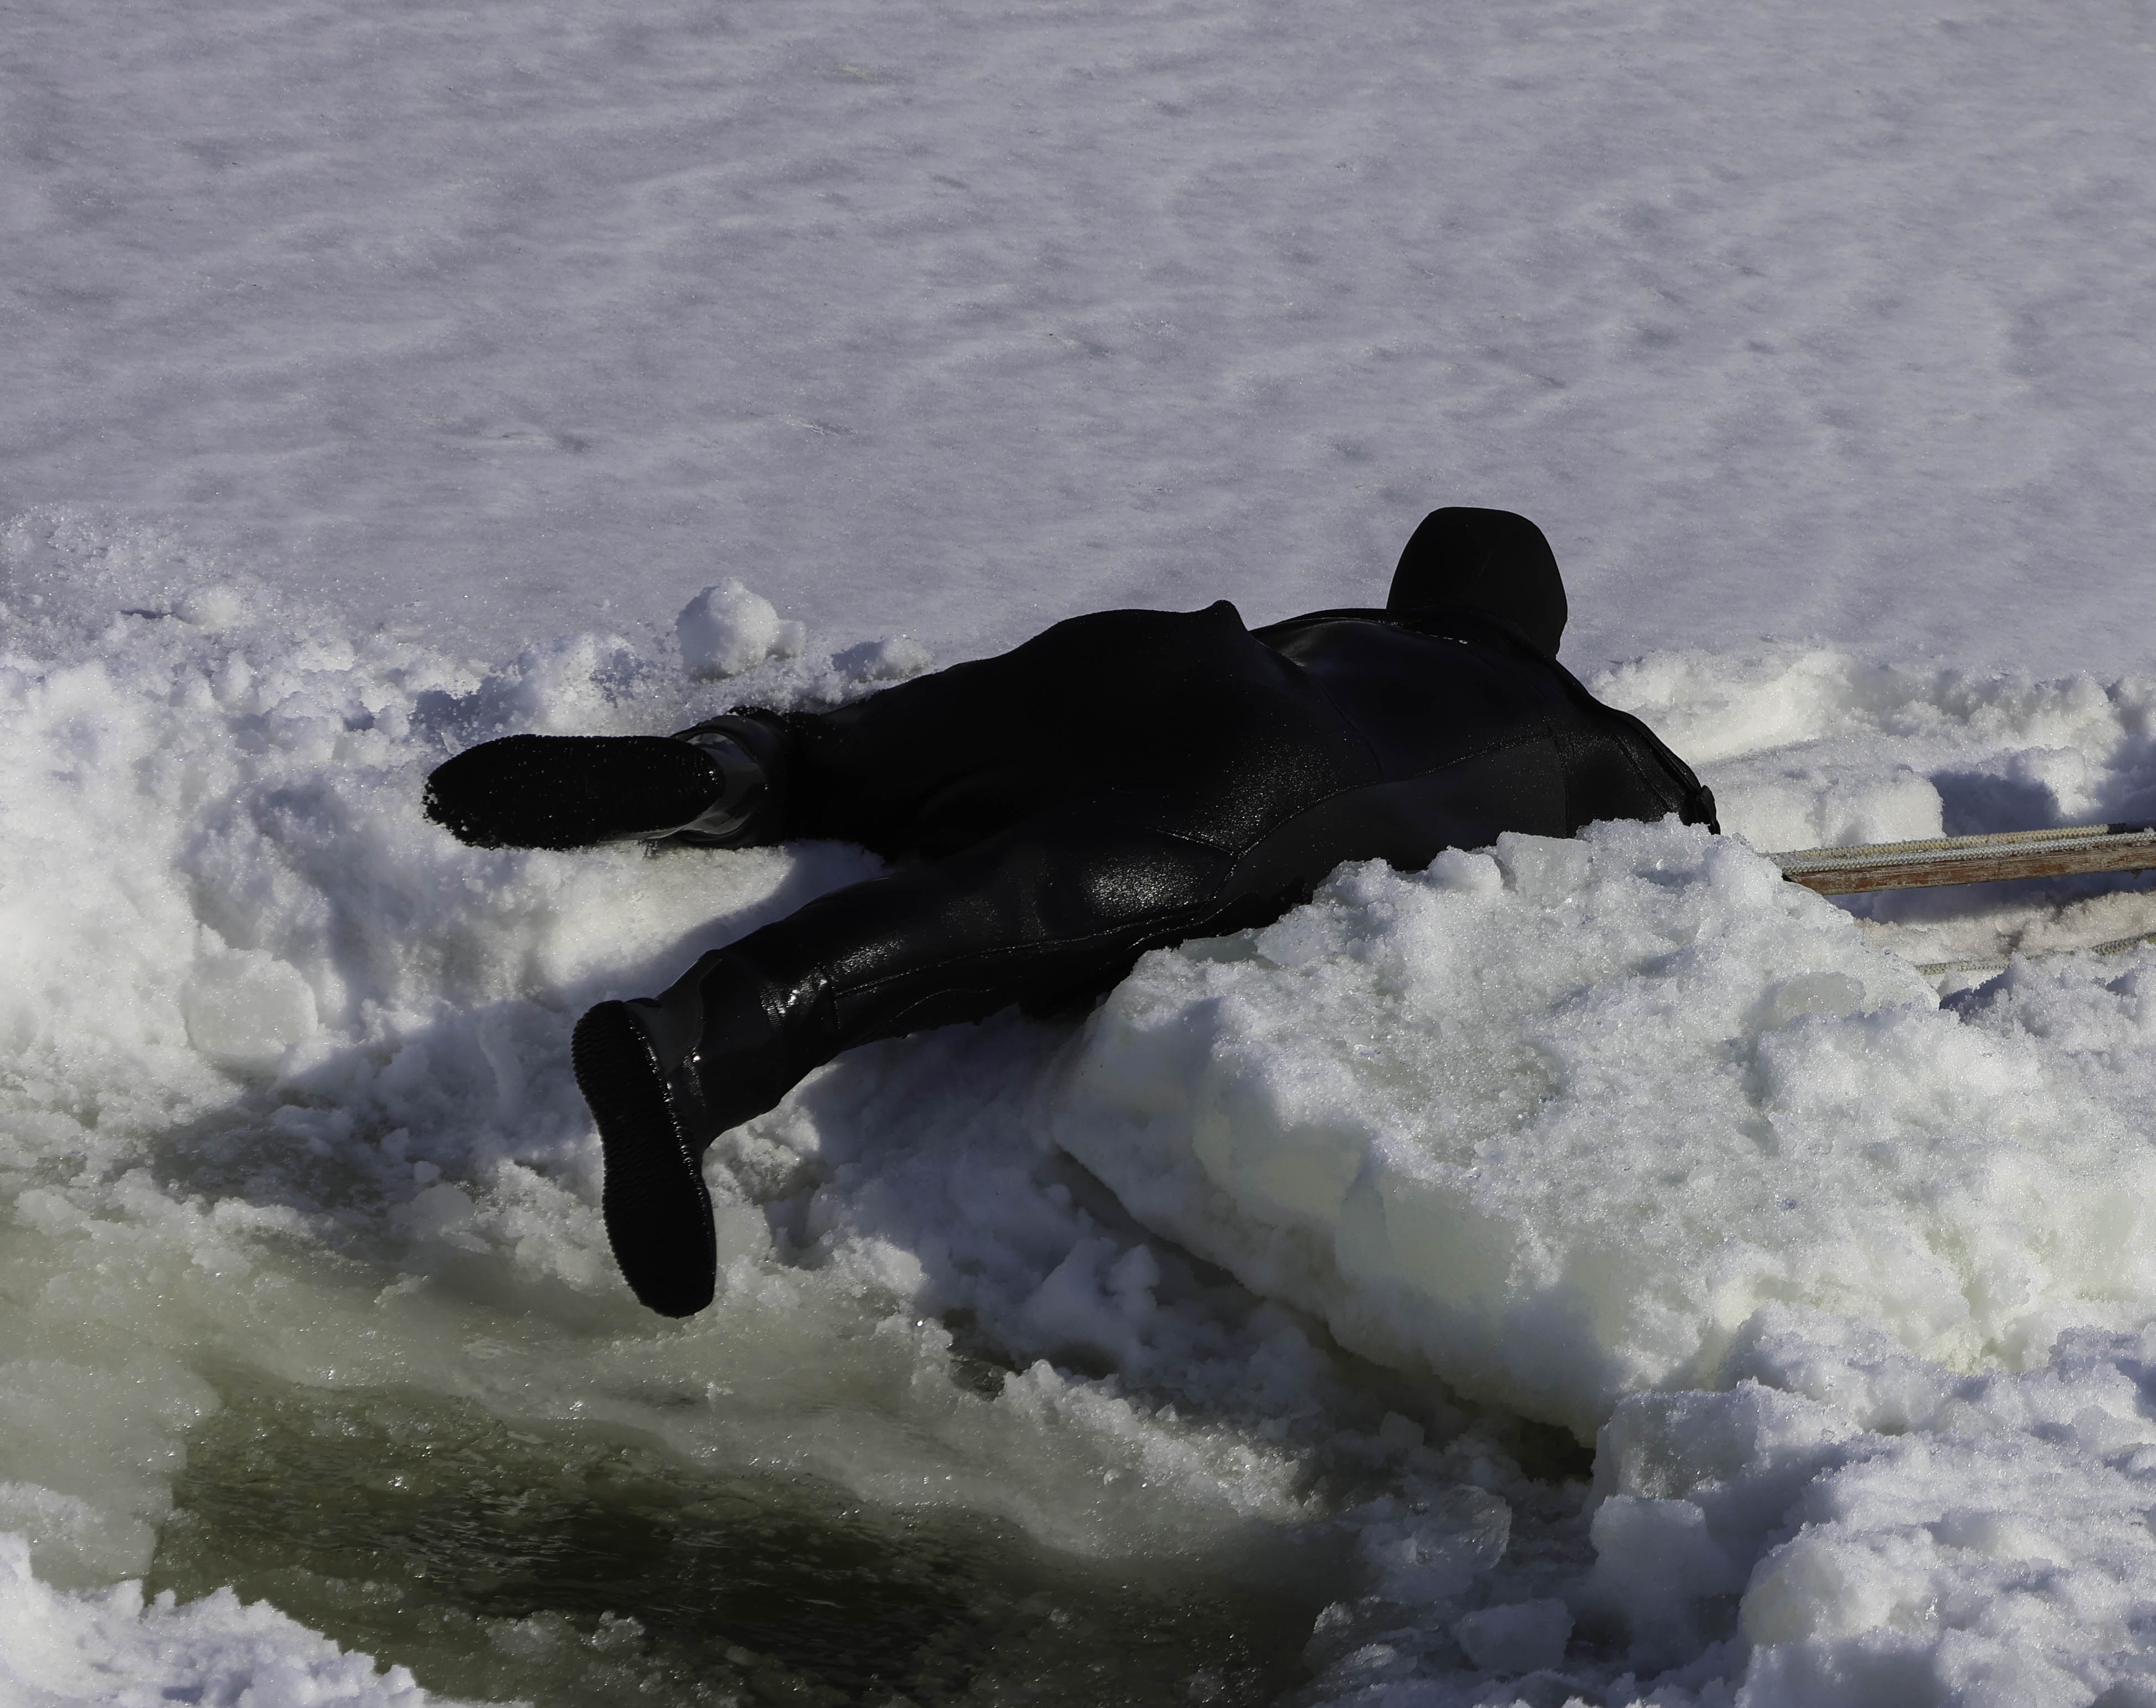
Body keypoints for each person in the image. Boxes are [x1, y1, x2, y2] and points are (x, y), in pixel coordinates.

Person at [426, 508, 1716, 1319]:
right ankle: (699, 1044)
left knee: (857, 757)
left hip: (1168, 653)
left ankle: (715, 774)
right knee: (1002, 903)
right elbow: (1703, 862)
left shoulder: (1349, 629)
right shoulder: (1585, 731)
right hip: (1268, 779)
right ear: (1540, 629)